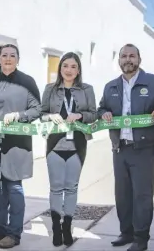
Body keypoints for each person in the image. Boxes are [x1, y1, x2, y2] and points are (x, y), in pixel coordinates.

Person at [97, 44, 154, 251]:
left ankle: (141, 239)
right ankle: (126, 232)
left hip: (144, 150)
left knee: (142, 195)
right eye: (123, 56)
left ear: (139, 59)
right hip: (119, 149)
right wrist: (103, 113)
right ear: (119, 60)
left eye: (132, 56)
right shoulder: (111, 86)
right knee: (122, 194)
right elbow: (101, 108)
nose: (127, 59)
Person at [0, 44, 42, 249]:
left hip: (16, 146)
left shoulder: (27, 82)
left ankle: (14, 233)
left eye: (12, 55)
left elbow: (37, 110)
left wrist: (19, 116)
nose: (8, 58)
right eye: (4, 55)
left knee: (14, 189)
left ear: (18, 59)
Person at [40, 52, 97, 247]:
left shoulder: (87, 89)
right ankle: (56, 227)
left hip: (77, 145)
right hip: (55, 145)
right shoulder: (50, 89)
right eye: (65, 66)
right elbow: (41, 113)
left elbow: (93, 114)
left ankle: (67, 227)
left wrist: (80, 115)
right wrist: (50, 117)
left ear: (78, 70)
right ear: (60, 68)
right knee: (56, 188)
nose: (69, 70)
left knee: (71, 187)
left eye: (73, 66)